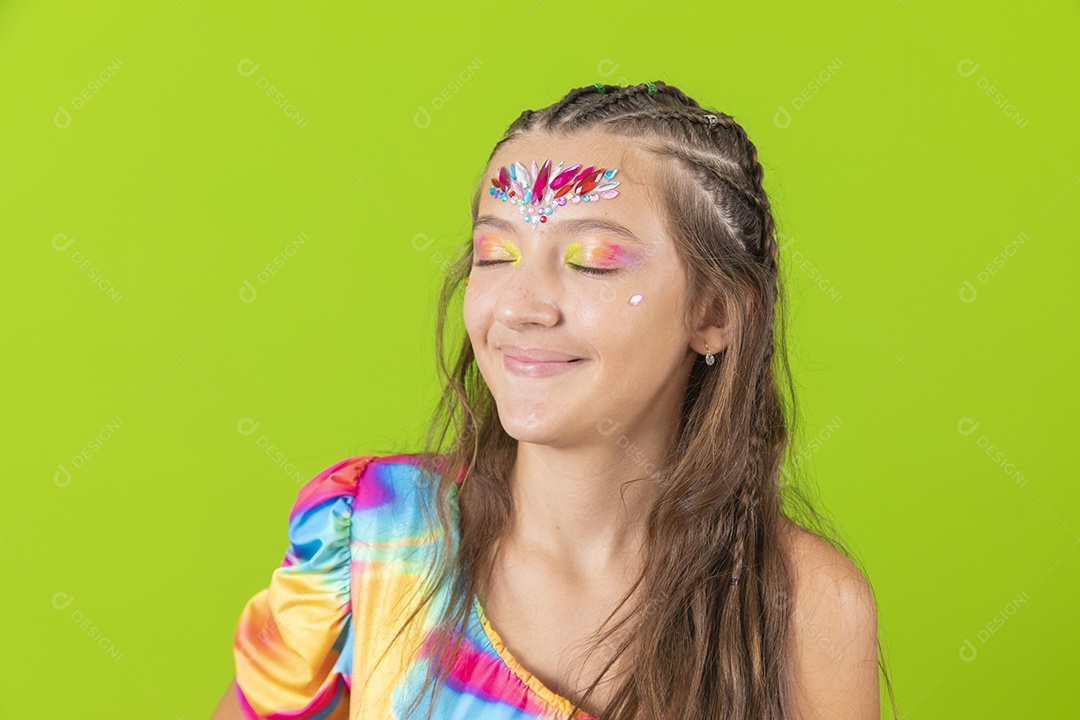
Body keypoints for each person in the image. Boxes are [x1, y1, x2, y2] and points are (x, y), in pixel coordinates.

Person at [212, 80, 897, 720]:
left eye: (592, 260)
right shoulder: (365, 535)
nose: (521, 306)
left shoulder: (803, 606)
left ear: (714, 312)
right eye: (495, 254)